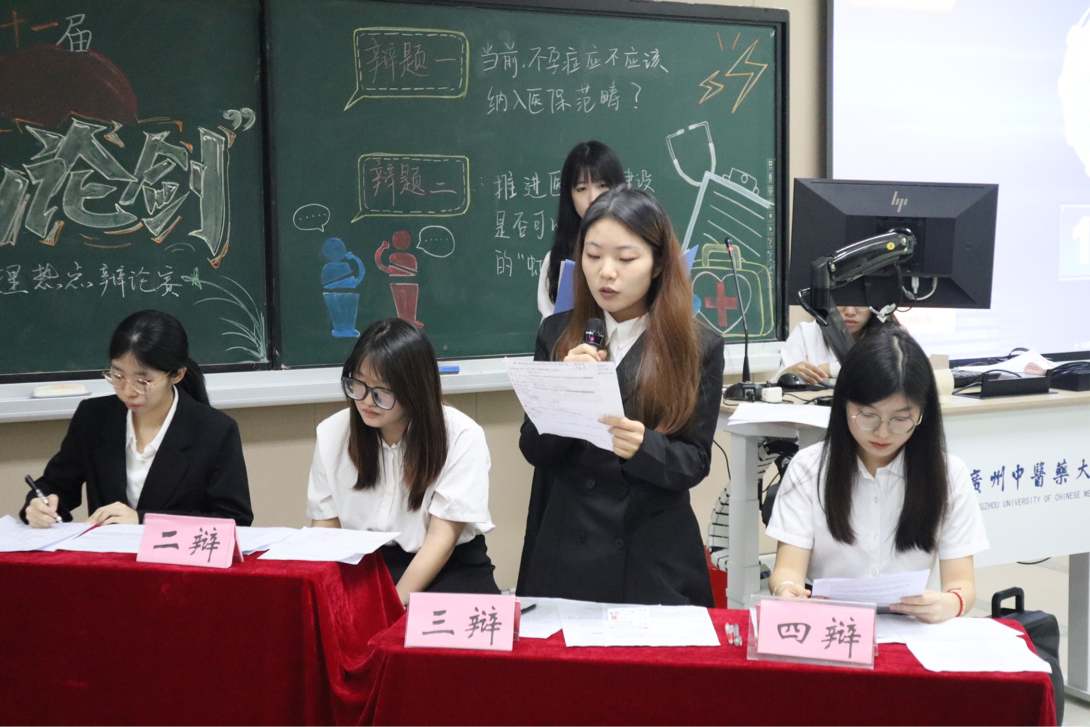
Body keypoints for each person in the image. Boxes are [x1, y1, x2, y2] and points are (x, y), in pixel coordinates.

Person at [518, 187, 724, 607]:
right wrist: (565, 392)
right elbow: (533, 449)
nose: (605, 273)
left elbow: (695, 462)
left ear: (658, 263)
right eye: (593, 256)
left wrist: (645, 446)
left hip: (650, 555)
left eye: (625, 259)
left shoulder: (696, 345)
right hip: (569, 551)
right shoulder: (557, 333)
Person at [766, 327, 988, 623]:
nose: (883, 432)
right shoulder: (809, 468)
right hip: (829, 625)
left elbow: (962, 585)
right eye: (868, 415)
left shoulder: (949, 474)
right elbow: (787, 570)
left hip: (911, 625)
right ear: (844, 405)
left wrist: (949, 603)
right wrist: (786, 589)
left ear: (923, 414)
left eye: (901, 418)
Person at [307, 317, 499, 605]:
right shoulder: (332, 433)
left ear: (414, 388)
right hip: (365, 569)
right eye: (357, 383)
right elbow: (325, 533)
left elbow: (441, 541)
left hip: (447, 569)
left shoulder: (461, 436)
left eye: (381, 391)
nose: (366, 401)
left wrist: (392, 606)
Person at [21, 310, 253, 528]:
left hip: (176, 556)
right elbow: (56, 485)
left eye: (143, 381)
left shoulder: (215, 430)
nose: (127, 391)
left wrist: (142, 520)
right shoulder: (93, 417)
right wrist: (40, 504)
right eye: (118, 376)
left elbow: (235, 519)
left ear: (177, 375)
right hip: (109, 555)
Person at [537, 140, 626, 318]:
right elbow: (550, 325)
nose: (593, 198)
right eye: (581, 189)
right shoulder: (556, 260)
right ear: (570, 197)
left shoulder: (643, 253)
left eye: (602, 186)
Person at [775, 305, 895, 383]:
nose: (850, 312)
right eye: (841, 302)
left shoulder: (891, 335)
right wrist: (785, 375)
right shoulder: (806, 332)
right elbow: (775, 389)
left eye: (860, 304)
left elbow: (889, 371)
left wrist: (828, 369)